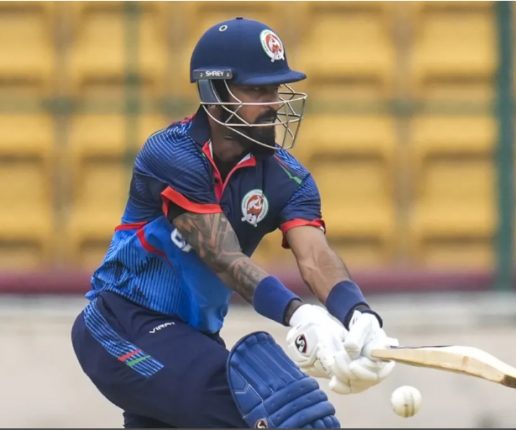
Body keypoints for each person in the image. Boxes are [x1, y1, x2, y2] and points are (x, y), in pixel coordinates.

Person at [71, 17, 398, 428]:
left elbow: (315, 256)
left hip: (191, 340)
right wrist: (299, 314)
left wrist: (357, 314)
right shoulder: (171, 155)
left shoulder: (289, 177)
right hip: (121, 326)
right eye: (258, 90)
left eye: (276, 90)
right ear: (214, 94)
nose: (274, 103)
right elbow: (223, 257)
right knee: (279, 414)